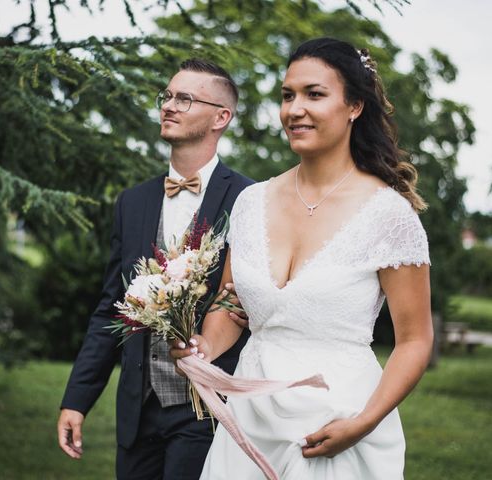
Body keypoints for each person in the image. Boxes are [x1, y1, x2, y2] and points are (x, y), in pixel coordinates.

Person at [171, 37, 433, 479]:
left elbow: (414, 340)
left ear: (354, 106)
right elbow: (232, 306)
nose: (295, 110)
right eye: (287, 95)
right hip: (250, 419)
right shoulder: (251, 202)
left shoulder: (388, 214)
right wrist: (203, 348)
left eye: (315, 94)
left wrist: (364, 423)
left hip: (341, 421)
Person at [57, 58, 253, 479]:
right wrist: (77, 399)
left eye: (185, 98)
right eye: (167, 96)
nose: (169, 105)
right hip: (139, 412)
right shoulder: (133, 202)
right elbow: (112, 307)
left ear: (222, 117)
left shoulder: (251, 199)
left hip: (209, 411)